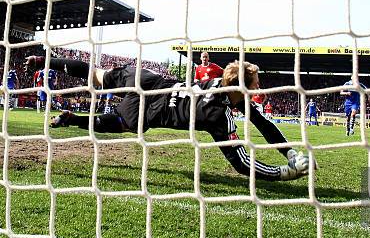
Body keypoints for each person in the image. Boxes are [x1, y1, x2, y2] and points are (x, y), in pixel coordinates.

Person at [25, 55, 316, 181]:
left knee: (95, 74)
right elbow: (241, 164)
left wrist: (290, 152)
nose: (258, 89)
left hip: (148, 81)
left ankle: (45, 61)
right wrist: (285, 172)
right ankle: (74, 119)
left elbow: (262, 123)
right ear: (240, 87)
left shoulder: (218, 85)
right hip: (152, 108)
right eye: (254, 85)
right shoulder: (219, 116)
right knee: (126, 125)